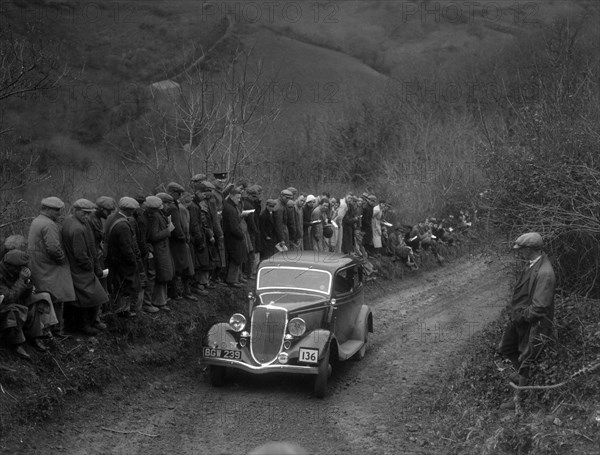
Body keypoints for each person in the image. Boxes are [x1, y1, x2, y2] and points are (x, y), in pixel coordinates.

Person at [497, 232, 556, 409]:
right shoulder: (533, 264)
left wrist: (521, 317)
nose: (519, 253)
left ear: (530, 249)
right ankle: (521, 379)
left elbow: (539, 307)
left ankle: (519, 400)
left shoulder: (545, 272)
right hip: (520, 320)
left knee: (526, 360)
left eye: (521, 250)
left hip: (533, 324)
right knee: (506, 348)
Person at [27, 197, 76, 337]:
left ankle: (50, 329)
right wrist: (62, 260)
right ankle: (57, 330)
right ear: (47, 209)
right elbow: (54, 248)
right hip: (50, 266)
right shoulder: (49, 224)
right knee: (57, 296)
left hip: (39, 265)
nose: (59, 213)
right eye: (56, 210)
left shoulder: (37, 220)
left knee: (47, 296)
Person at [61, 199, 109, 335]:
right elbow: (80, 254)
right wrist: (90, 266)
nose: (87, 216)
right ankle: (83, 325)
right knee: (87, 297)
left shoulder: (75, 221)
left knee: (84, 297)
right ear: (75, 210)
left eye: (89, 214)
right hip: (80, 268)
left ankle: (87, 322)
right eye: (84, 213)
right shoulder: (76, 228)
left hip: (79, 267)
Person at [0, 250, 59, 358]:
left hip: (17, 300)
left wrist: (27, 282)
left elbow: (25, 294)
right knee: (14, 310)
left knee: (37, 303)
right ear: (10, 266)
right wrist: (21, 280)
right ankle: (17, 344)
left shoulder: (13, 271)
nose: (23, 270)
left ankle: (35, 336)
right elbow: (9, 298)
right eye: (20, 267)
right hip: (5, 305)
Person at [105, 197, 144, 318]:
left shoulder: (112, 217)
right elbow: (127, 248)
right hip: (122, 261)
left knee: (117, 284)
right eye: (133, 210)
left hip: (113, 259)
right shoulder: (123, 225)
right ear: (129, 210)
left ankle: (119, 309)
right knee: (126, 285)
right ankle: (123, 311)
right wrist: (134, 262)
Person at [146, 195, 175, 311]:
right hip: (159, 250)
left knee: (164, 274)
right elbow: (154, 236)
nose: (167, 206)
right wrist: (168, 230)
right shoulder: (156, 217)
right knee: (161, 274)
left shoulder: (159, 215)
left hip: (163, 249)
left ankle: (162, 299)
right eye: (166, 204)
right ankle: (159, 301)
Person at [222, 187, 246, 287]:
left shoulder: (228, 206)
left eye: (240, 198)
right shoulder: (231, 209)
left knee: (234, 258)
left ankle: (233, 279)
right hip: (233, 238)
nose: (239, 200)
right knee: (235, 258)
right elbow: (233, 227)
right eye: (237, 198)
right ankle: (232, 280)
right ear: (231, 196)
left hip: (230, 236)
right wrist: (241, 235)